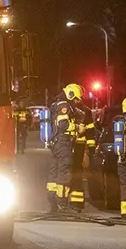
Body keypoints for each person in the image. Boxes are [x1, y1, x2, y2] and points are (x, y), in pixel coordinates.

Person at [47, 83, 85, 212]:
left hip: (56, 143)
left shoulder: (56, 104)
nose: (76, 102)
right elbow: (63, 124)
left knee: (54, 172)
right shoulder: (64, 106)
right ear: (70, 94)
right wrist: (78, 128)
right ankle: (62, 203)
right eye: (75, 99)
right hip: (63, 143)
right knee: (65, 173)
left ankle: (52, 201)